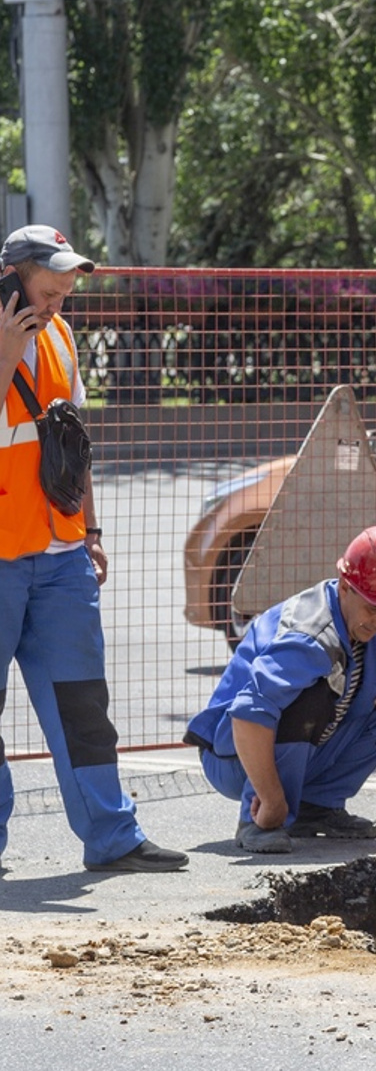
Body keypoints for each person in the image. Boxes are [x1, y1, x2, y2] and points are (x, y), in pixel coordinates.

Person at [0, 224, 187, 872]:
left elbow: (72, 444)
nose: (57, 301)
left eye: (65, 289)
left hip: (60, 556)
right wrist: (5, 350)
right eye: (48, 288)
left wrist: (92, 532)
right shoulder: (8, 334)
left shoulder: (61, 336)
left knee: (82, 705)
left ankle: (111, 838)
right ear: (11, 277)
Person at [185, 525, 376, 853]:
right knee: (310, 698)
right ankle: (256, 819)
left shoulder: (363, 619)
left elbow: (361, 670)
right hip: (232, 758)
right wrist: (270, 800)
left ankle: (316, 807)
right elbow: (248, 716)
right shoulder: (309, 637)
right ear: (346, 587)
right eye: (375, 609)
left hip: (292, 748)